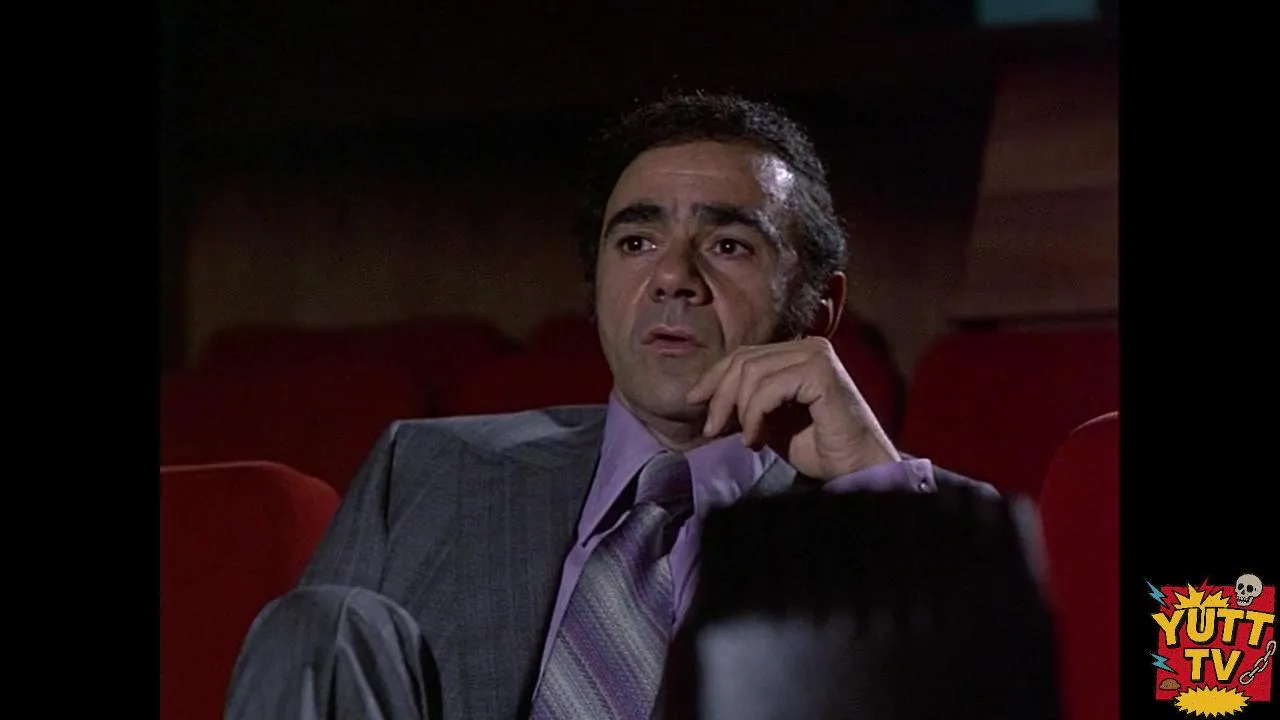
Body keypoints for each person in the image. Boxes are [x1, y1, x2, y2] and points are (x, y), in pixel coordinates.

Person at [224, 92, 998, 720]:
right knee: (322, 622)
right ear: (595, 290)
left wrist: (871, 489)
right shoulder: (424, 470)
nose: (673, 277)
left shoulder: (907, 515)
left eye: (728, 245)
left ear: (818, 309)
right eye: (636, 243)